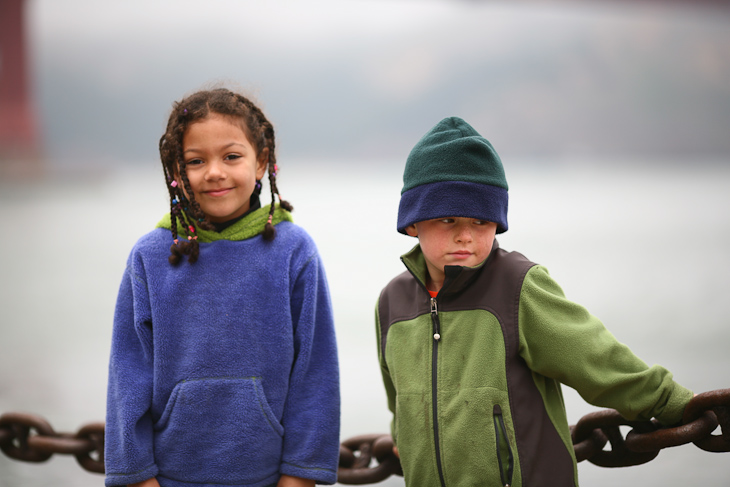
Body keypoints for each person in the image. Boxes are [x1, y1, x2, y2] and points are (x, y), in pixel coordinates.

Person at [375, 116, 694, 486]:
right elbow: (398, 399)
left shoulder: (517, 286)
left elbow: (598, 359)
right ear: (413, 222)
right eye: (448, 220)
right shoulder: (392, 304)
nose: (465, 236)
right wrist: (403, 436)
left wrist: (676, 403)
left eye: (481, 222)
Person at [105, 87, 340, 487]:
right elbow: (127, 378)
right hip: (167, 478)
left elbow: (315, 375)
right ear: (178, 174)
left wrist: (300, 476)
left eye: (232, 156)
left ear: (262, 161)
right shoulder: (149, 256)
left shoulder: (293, 252)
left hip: (269, 479)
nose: (215, 172)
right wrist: (136, 477)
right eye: (196, 161)